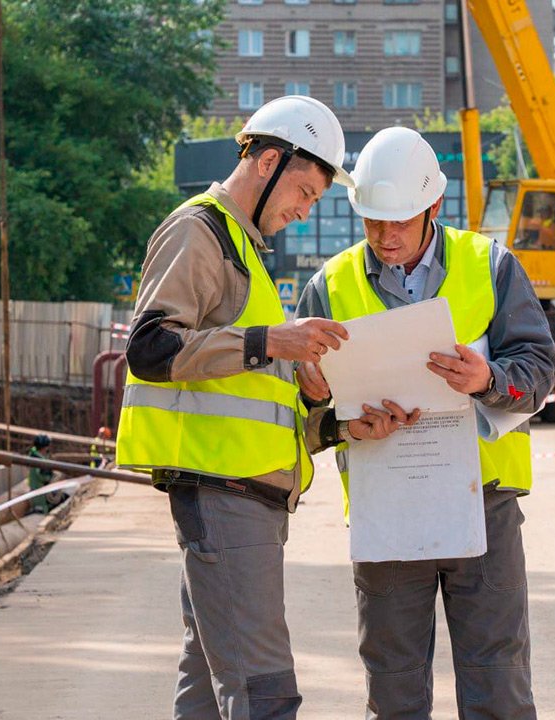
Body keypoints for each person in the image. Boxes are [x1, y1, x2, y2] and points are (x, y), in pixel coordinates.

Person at [296, 126, 555, 719]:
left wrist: (486, 380)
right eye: (372, 222)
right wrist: (312, 393)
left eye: (400, 221)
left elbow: (539, 369)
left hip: (482, 499)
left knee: (498, 675)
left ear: (434, 206)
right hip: (385, 505)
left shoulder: (489, 264)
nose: (386, 237)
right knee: (393, 683)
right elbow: (302, 407)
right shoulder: (327, 286)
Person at [115, 95, 354, 719]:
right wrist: (270, 340)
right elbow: (149, 346)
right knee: (263, 687)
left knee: (207, 673)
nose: (303, 212)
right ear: (268, 160)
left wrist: (312, 397)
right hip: (221, 492)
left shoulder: (244, 249)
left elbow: (241, 385)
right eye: (302, 191)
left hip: (246, 494)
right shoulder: (199, 231)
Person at [27, 434, 56, 514]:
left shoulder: (34, 455)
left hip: (37, 491)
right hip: (40, 495)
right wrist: (51, 474)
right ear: (45, 447)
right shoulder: (38, 460)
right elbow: (43, 476)